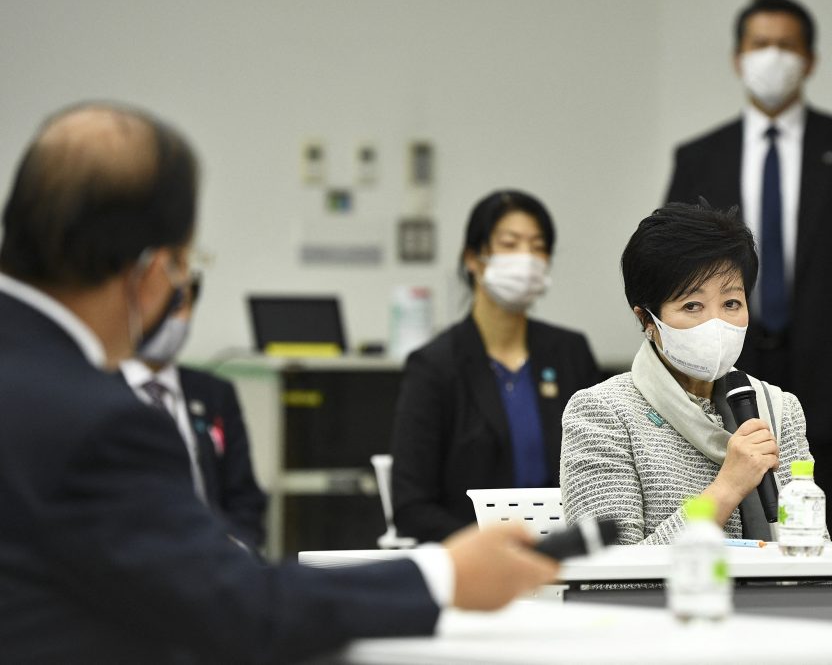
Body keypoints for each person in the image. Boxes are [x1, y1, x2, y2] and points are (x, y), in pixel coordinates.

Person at [0, 102, 557, 664]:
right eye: (181, 269)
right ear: (149, 272)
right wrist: (445, 575)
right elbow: (239, 611)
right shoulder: (98, 422)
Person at [663, 0, 832, 540]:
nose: (772, 57)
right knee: (726, 494)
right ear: (737, 57)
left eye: (786, 46)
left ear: (810, 60)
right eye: (760, 45)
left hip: (826, 362)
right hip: (722, 356)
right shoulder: (699, 155)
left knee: (820, 508)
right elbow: (672, 263)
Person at [561, 203, 817, 544]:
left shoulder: (777, 408)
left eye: (731, 304)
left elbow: (810, 551)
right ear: (646, 320)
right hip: (671, 598)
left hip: (767, 599)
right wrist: (727, 487)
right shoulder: (603, 414)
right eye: (692, 306)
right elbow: (608, 577)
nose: (716, 323)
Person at [391, 190, 601, 543]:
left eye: (538, 246)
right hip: (472, 562)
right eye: (510, 243)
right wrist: (490, 548)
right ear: (473, 258)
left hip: (565, 556)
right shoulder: (434, 366)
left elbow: (599, 471)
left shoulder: (570, 353)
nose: (527, 258)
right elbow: (412, 507)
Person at [121, 272, 268, 550]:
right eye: (158, 302)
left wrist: (238, 550)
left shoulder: (214, 393)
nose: (168, 317)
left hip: (214, 561)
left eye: (179, 305)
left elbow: (244, 498)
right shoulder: (97, 387)